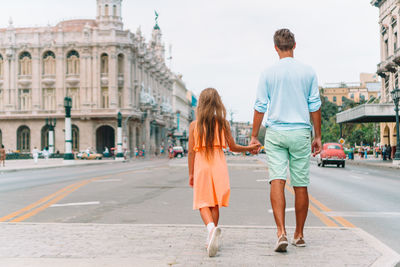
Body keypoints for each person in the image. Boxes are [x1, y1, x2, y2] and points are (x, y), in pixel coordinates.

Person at [250, 29, 322, 252]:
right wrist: (317, 135)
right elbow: (315, 106)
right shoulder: (308, 72)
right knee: (300, 184)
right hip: (300, 132)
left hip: (276, 133)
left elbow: (260, 107)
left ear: (275, 47)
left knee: (277, 180)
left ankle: (281, 232)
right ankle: (299, 235)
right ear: (294, 45)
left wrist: (254, 135)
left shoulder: (268, 73)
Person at [188, 88, 259, 257]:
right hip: (219, 164)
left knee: (202, 202)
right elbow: (233, 147)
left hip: (202, 164)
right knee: (214, 203)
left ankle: (211, 230)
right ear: (217, 103)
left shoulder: (194, 125)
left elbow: (191, 152)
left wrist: (191, 173)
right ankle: (211, 237)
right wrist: (250, 147)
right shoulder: (224, 123)